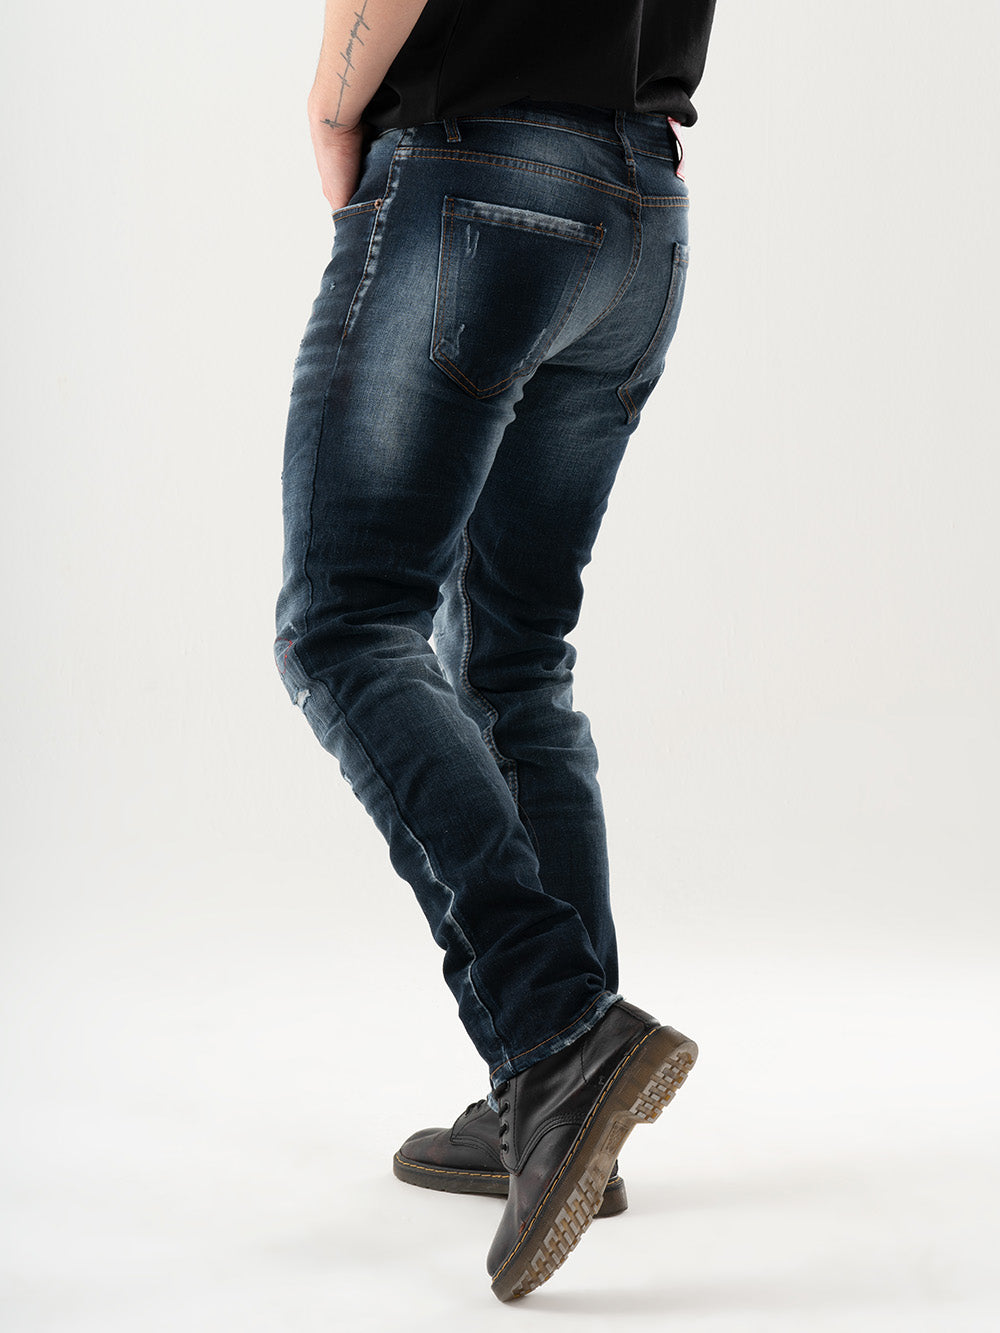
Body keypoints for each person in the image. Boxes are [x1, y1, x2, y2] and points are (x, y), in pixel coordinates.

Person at [273, 0, 716, 1301]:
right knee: (515, 654)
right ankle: (573, 1094)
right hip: (640, 208)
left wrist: (331, 98)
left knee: (347, 622)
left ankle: (555, 1034)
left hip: (483, 181)